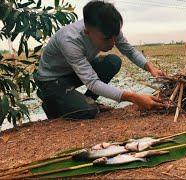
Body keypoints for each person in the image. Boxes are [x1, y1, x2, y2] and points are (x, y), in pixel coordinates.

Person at [34, 1, 166, 120]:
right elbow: (92, 82)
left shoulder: (109, 28)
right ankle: (52, 102)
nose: (113, 42)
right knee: (88, 111)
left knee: (113, 61)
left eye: (115, 36)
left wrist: (151, 68)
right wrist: (134, 98)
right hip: (52, 81)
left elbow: (129, 50)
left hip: (73, 72)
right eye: (107, 39)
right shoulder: (70, 40)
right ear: (87, 31)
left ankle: (88, 99)